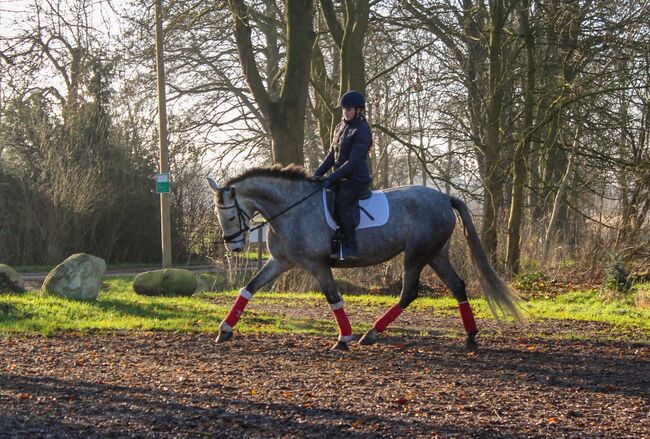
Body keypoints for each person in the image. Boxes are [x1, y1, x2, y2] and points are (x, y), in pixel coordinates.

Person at [314, 90, 373, 261]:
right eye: (344, 109)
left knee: (341, 203)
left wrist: (331, 178)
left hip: (356, 180)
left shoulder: (361, 130)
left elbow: (353, 163)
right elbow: (332, 155)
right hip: (341, 178)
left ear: (358, 110)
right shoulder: (340, 127)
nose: (345, 112)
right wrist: (317, 175)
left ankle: (350, 247)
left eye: (349, 109)